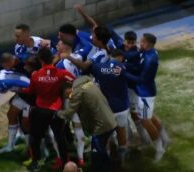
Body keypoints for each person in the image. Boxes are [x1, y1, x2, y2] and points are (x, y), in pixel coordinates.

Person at [20, 47, 75, 171]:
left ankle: (35, 162)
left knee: (35, 137)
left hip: (40, 110)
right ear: (51, 58)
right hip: (57, 110)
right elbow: (75, 80)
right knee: (60, 137)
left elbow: (31, 91)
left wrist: (20, 89)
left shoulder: (36, 75)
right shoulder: (62, 73)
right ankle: (66, 164)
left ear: (40, 60)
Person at [118, 33, 169, 162]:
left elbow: (142, 79)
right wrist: (123, 65)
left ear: (148, 44)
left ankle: (159, 149)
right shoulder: (146, 52)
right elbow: (136, 65)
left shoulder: (150, 59)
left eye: (142, 42)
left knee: (145, 121)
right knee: (149, 116)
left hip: (145, 94)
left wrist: (123, 73)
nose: (140, 44)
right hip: (141, 91)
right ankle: (165, 138)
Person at [57, 75, 117, 172]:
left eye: (66, 95)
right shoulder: (86, 82)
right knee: (100, 149)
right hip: (109, 119)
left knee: (96, 153)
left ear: (68, 89)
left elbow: (69, 112)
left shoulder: (76, 93)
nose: (69, 97)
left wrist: (57, 113)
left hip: (102, 126)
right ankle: (111, 165)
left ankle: (104, 168)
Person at [88, 49, 130, 162]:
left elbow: (89, 68)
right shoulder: (124, 68)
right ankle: (122, 157)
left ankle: (107, 157)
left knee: (104, 135)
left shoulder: (100, 68)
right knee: (121, 130)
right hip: (122, 107)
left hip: (108, 108)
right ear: (120, 57)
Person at [56, 39, 86, 167]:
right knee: (78, 126)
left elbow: (60, 85)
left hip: (69, 98)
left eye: (59, 44)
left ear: (65, 47)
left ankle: (62, 156)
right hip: (81, 94)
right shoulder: (78, 56)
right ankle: (81, 157)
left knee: (60, 126)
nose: (56, 45)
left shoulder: (61, 65)